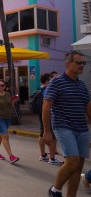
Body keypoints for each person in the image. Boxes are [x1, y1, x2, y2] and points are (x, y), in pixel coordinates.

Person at [44, 50, 91, 197]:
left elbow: (88, 108)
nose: (82, 65)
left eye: (83, 63)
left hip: (82, 129)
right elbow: (46, 106)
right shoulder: (57, 82)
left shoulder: (82, 85)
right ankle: (55, 190)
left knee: (78, 167)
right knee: (73, 161)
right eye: (78, 62)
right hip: (63, 126)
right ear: (68, 64)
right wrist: (47, 131)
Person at [36, 73, 63, 165]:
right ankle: (52, 158)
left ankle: (43, 155)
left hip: (41, 114)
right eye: (51, 79)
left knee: (41, 133)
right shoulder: (48, 90)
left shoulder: (40, 89)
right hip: (49, 115)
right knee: (51, 135)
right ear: (47, 81)